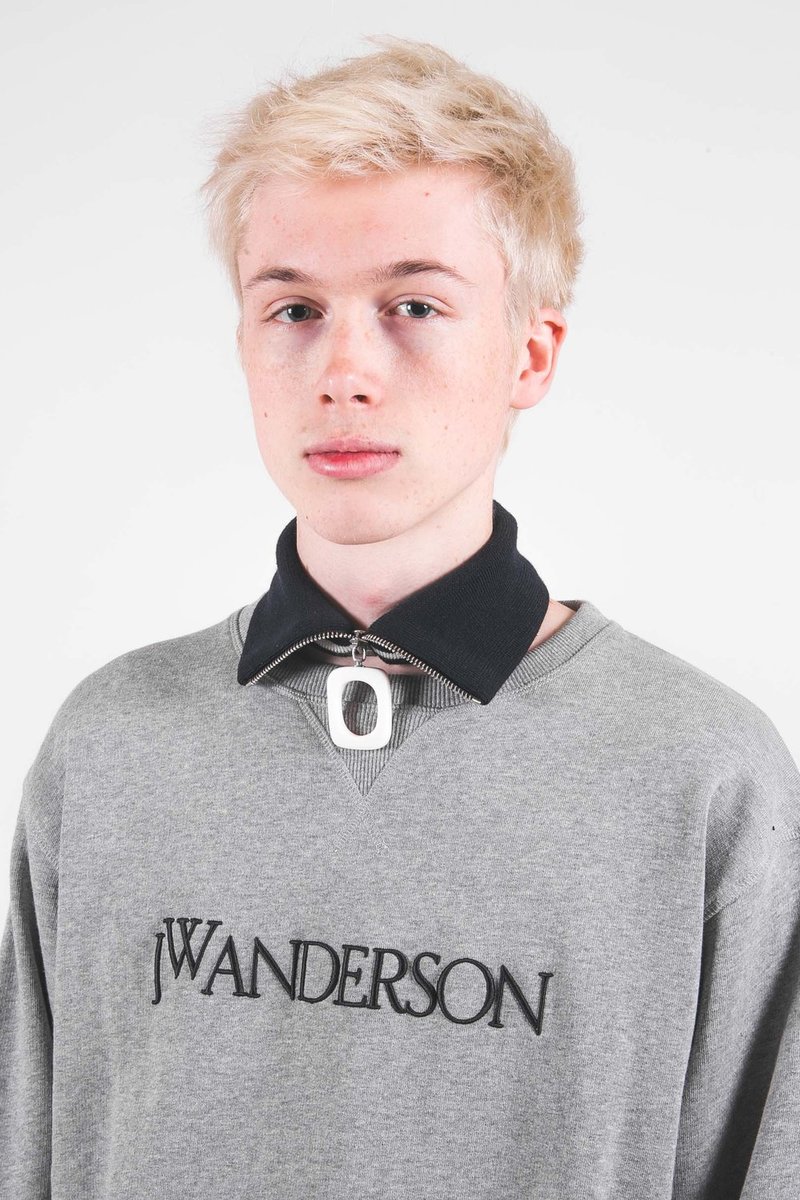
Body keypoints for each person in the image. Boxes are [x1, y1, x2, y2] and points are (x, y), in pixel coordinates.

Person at [1, 33, 798, 1200]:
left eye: (413, 304)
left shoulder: (701, 777)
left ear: (530, 353)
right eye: (292, 309)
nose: (343, 371)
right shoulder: (110, 746)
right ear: (242, 345)